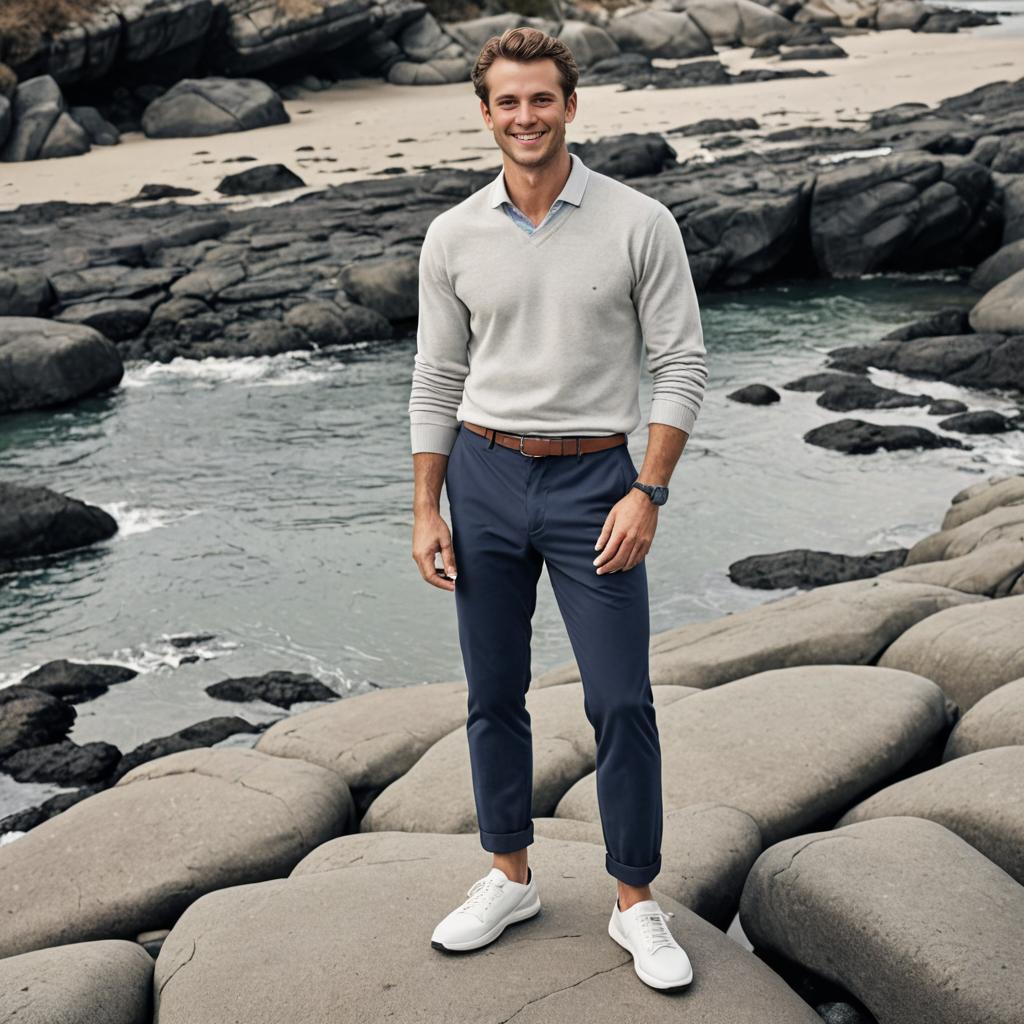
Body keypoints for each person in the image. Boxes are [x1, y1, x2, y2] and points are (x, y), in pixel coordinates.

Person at [407, 25, 707, 992]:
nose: (526, 117)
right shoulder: (452, 235)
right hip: (483, 480)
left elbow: (682, 366)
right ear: (486, 112)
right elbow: (436, 378)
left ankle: (634, 901)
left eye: (542, 100)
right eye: (508, 102)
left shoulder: (637, 221)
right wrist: (426, 507)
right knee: (492, 695)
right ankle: (509, 874)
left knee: (621, 697)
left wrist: (648, 492)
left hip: (597, 485)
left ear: (571, 107)